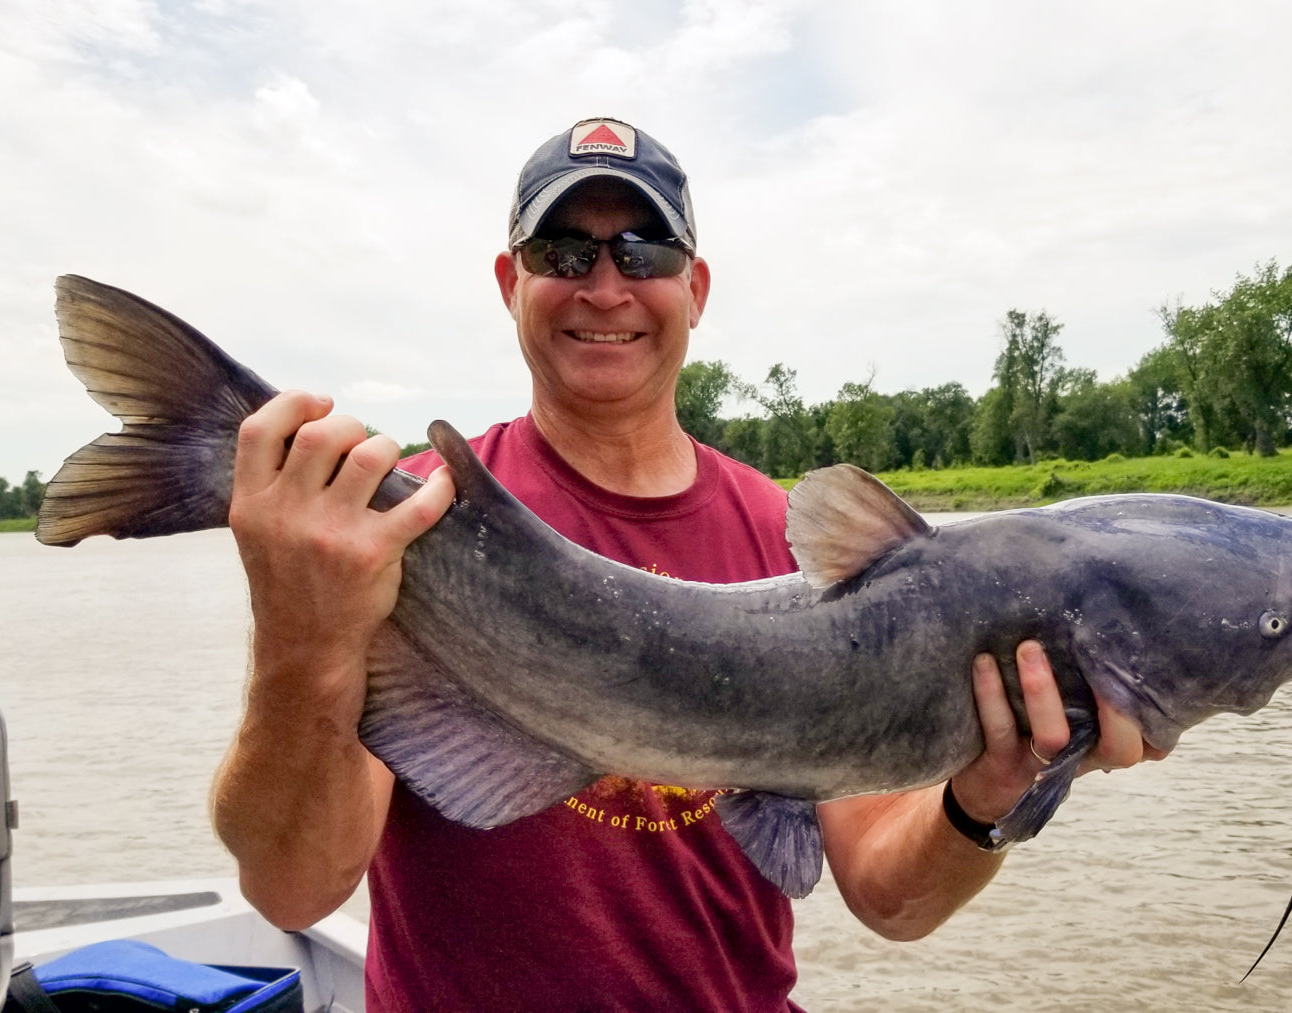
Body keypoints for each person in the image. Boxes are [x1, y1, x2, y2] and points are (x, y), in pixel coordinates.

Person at [210, 118, 1164, 1011]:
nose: (605, 285)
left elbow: (890, 896)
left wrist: (995, 792)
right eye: (564, 252)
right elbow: (295, 885)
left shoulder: (799, 543)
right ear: (510, 281)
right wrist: (305, 635)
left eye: (644, 251)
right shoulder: (403, 524)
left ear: (695, 289)